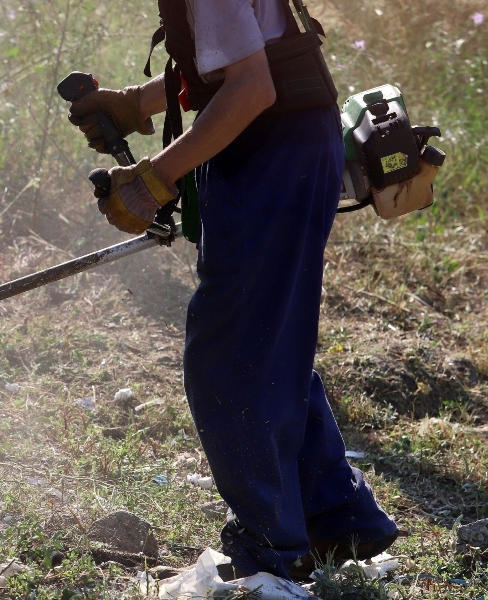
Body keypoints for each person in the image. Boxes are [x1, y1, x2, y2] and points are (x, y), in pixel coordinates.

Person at [66, 0, 398, 581]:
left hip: (271, 153)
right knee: (268, 338)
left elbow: (251, 88)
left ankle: (268, 554)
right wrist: (137, 102)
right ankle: (339, 520)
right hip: (287, 147)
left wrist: (155, 177)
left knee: (232, 357)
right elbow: (243, 54)